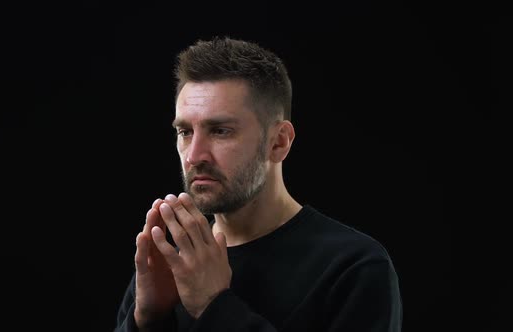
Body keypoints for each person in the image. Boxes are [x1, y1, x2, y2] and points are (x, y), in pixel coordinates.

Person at [113, 36, 402, 332]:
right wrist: (146, 321)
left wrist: (214, 305)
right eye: (185, 132)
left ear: (278, 142)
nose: (194, 156)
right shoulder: (171, 262)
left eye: (220, 130)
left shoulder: (353, 267)